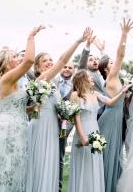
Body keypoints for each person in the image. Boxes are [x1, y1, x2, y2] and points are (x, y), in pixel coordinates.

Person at [25, 27, 92, 192]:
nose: (50, 62)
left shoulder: (52, 83)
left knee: (51, 164)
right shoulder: (42, 78)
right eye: (45, 61)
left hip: (52, 128)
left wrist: (64, 116)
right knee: (41, 164)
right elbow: (63, 60)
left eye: (50, 60)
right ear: (38, 68)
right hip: (41, 128)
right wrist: (78, 41)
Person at [0, 25, 44, 191]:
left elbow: (20, 107)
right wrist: (31, 37)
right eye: (15, 57)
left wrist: (34, 107)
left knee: (15, 168)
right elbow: (29, 60)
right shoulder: (6, 78)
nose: (19, 59)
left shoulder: (15, 81)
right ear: (7, 63)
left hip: (19, 126)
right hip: (9, 129)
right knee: (6, 168)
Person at [68, 69, 130, 192]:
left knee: (94, 163)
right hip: (83, 131)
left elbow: (110, 102)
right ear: (82, 79)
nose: (92, 79)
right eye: (89, 77)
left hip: (95, 130)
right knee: (83, 164)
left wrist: (122, 92)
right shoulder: (76, 95)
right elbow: (77, 119)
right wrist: (83, 137)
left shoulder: (94, 93)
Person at [97, 19, 133, 192]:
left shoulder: (115, 79)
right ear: (106, 69)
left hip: (116, 118)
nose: (115, 64)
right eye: (111, 63)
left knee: (113, 154)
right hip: (110, 119)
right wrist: (124, 34)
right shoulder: (111, 78)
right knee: (107, 155)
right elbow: (120, 55)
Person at [55, 61, 75, 192]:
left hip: (63, 127)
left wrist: (66, 129)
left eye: (70, 67)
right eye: (65, 66)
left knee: (59, 158)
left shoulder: (76, 86)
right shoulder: (52, 82)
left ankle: (58, 187)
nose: (67, 69)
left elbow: (75, 110)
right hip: (47, 125)